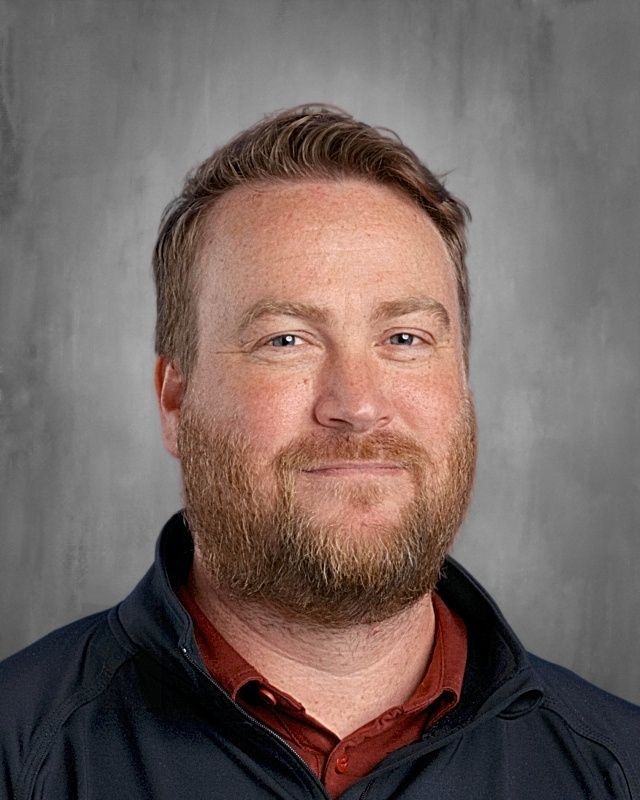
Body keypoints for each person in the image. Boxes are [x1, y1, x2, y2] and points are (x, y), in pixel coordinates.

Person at [1, 105, 638, 800]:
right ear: (175, 402)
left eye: (404, 339)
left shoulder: (619, 768)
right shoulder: (19, 753)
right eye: (286, 340)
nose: (357, 404)